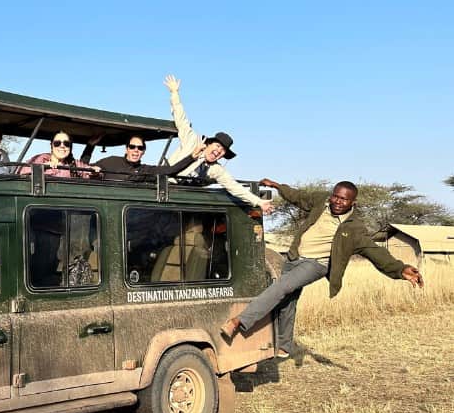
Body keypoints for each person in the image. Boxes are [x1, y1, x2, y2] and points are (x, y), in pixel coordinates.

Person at [220, 179, 424, 356]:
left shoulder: (355, 228)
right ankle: (284, 346)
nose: (337, 202)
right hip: (294, 258)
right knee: (287, 300)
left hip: (316, 264)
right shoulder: (321, 202)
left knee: (282, 287)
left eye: (344, 199)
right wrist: (276, 186)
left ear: (353, 202)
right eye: (336, 196)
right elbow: (298, 196)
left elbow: (375, 252)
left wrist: (400, 269)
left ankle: (239, 321)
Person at [163, 75, 274, 214]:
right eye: (218, 146)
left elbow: (234, 187)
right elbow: (181, 118)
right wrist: (174, 93)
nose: (218, 151)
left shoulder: (215, 169)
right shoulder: (192, 140)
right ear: (209, 144)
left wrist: (259, 202)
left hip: (185, 198)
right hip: (165, 187)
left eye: (222, 151)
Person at [80, 133, 206, 182]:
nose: (136, 150)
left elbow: (171, 170)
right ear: (126, 148)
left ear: (143, 152)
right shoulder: (110, 161)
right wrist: (90, 146)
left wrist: (192, 156)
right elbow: (83, 168)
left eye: (140, 148)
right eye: (132, 147)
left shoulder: (145, 170)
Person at [18, 131, 99, 178]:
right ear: (51, 145)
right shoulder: (41, 159)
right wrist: (43, 167)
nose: (62, 146)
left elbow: (88, 171)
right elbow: (21, 171)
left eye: (66, 143)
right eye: (57, 143)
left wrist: (94, 171)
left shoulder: (74, 163)